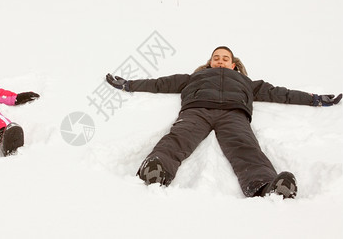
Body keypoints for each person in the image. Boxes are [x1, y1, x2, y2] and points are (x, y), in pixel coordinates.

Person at [106, 46, 341, 199]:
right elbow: (160, 83)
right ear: (210, 63)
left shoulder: (247, 82)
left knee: (246, 147)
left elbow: (282, 93)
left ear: (233, 64)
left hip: (234, 114)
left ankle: (267, 187)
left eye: (224, 58)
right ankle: (155, 170)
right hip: (197, 110)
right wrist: (129, 84)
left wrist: (316, 99)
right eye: (216, 58)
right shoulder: (194, 77)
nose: (220, 61)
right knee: (179, 137)